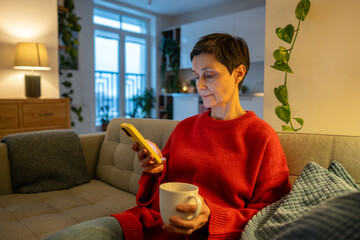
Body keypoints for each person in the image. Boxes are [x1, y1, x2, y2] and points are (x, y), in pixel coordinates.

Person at [47, 33, 291, 240]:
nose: (200, 85)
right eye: (196, 76)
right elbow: (159, 187)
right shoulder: (185, 127)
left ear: (238, 74)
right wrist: (154, 171)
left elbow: (273, 212)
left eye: (210, 75)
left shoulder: (261, 137)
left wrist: (212, 217)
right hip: (146, 225)